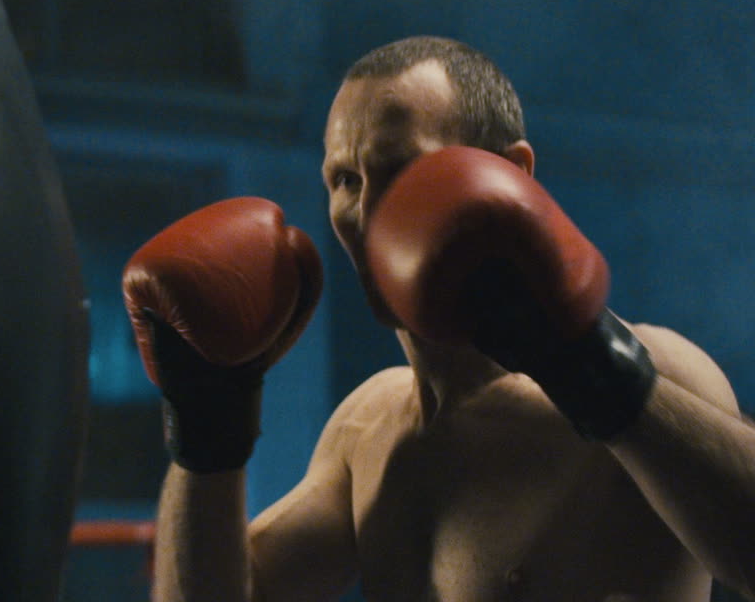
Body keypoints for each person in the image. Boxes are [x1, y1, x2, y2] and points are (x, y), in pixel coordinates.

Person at [122, 36, 755, 601]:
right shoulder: (367, 430)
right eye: (344, 179)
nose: (363, 211)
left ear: (510, 173)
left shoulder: (662, 371)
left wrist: (600, 375)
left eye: (400, 171)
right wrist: (206, 433)